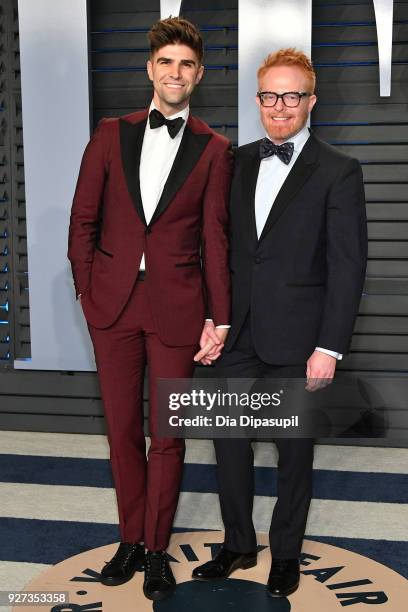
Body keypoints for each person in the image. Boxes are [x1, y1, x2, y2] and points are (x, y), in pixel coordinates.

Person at [192, 48, 367, 597]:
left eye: (293, 96)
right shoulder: (235, 161)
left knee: (294, 454)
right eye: (270, 95)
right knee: (227, 444)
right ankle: (238, 543)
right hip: (236, 333)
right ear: (258, 100)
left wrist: (329, 347)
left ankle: (285, 553)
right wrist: (211, 317)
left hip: (298, 341)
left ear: (311, 101)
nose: (280, 106)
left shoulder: (340, 170)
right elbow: (214, 249)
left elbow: (347, 265)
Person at [67, 17, 231, 602]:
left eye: (186, 64)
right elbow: (82, 219)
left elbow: (215, 240)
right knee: (121, 431)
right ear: (150, 69)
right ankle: (130, 538)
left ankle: (158, 549)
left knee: (168, 435)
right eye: (167, 63)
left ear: (199, 74)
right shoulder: (111, 133)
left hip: (178, 310)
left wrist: (220, 315)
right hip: (112, 306)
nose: (175, 73)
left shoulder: (215, 149)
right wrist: (89, 296)